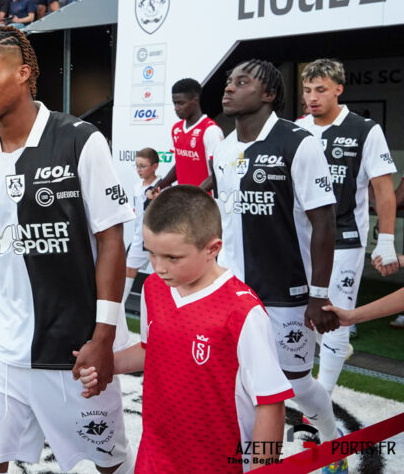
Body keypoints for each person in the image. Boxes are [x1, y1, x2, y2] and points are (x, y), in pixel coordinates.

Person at [0, 26, 135, 474]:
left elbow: (111, 238)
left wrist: (103, 337)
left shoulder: (80, 138)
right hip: (2, 345)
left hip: (73, 350)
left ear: (23, 73)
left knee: (108, 467)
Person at [77, 186, 293, 473]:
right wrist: (106, 365)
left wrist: (263, 469)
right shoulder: (153, 288)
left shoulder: (242, 312)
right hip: (157, 452)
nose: (159, 267)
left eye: (172, 258)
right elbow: (151, 349)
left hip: (217, 461)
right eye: (151, 253)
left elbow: (271, 403)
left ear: (212, 249)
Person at [211, 59, 342, 452]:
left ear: (268, 94)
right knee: (238, 380)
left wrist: (317, 295)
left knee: (296, 382)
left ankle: (333, 439)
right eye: (229, 82)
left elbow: (325, 223)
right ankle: (252, 458)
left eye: (242, 82)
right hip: (233, 290)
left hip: (287, 292)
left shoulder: (299, 142)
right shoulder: (223, 148)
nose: (229, 88)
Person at [296, 59, 398, 393]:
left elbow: (383, 189)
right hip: (300, 238)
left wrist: (385, 240)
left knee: (334, 316)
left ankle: (323, 396)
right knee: (298, 315)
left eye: (321, 90)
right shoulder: (296, 127)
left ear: (339, 89)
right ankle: (301, 386)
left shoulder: (364, 129)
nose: (312, 97)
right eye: (307, 90)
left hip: (345, 239)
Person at [150, 78, 224, 197]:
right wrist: (161, 184)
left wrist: (194, 195)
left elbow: (219, 173)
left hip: (206, 202)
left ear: (195, 101)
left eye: (181, 103)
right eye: (175, 103)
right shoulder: (176, 128)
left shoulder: (211, 130)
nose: (176, 108)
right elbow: (180, 164)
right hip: (185, 200)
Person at [120, 148, 159, 325]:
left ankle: (159, 314)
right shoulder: (137, 187)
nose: (139, 170)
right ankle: (118, 311)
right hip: (138, 238)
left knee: (161, 275)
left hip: (157, 240)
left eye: (143, 166)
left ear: (154, 166)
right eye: (137, 166)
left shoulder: (162, 187)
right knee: (128, 271)